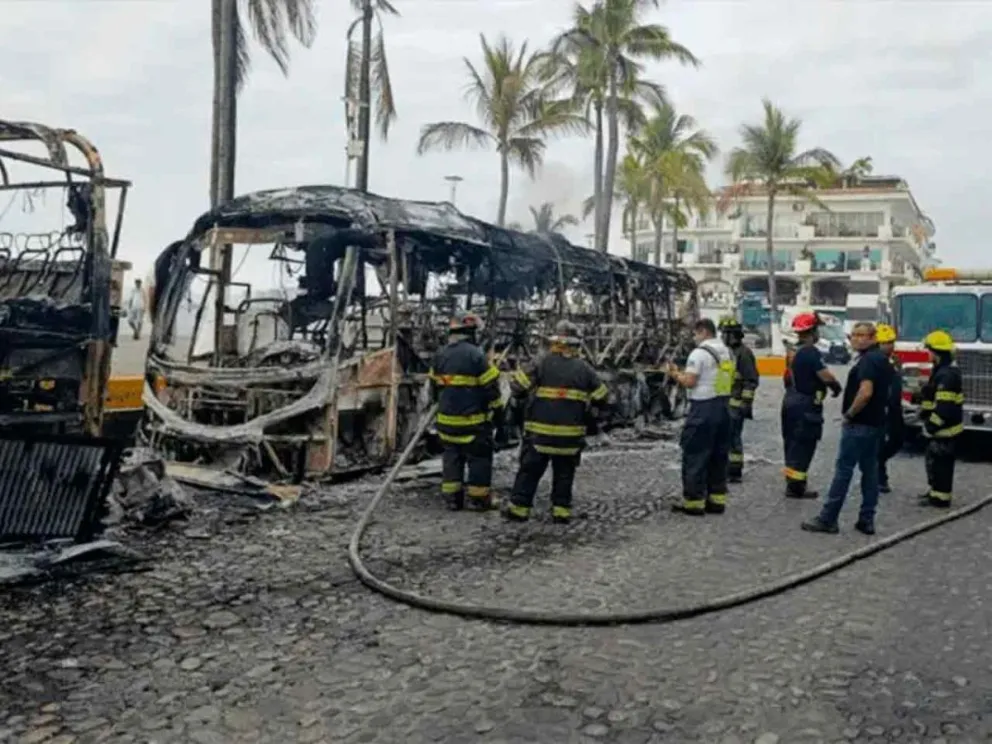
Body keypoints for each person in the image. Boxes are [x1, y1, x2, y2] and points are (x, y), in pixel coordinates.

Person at [504, 320, 609, 523]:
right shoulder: (585, 369)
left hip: (539, 436)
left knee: (529, 471)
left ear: (556, 343)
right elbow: (603, 397)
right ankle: (561, 512)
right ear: (575, 345)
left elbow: (517, 387)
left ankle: (519, 509)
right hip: (570, 437)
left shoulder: (541, 362)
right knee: (564, 474)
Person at [801, 322, 894, 535]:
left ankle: (828, 518)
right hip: (876, 424)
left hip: (859, 424)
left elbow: (866, 392)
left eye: (863, 335)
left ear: (873, 338)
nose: (857, 339)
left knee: (843, 471)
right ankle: (866, 519)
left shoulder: (868, 362)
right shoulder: (882, 360)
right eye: (855, 335)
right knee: (870, 472)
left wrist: (849, 414)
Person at [428, 312, 504, 511]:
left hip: (446, 422)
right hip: (473, 423)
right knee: (479, 458)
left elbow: (433, 390)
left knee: (451, 458)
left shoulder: (440, 355)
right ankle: (478, 499)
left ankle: (452, 499)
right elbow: (491, 389)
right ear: (471, 333)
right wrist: (499, 412)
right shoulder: (476, 355)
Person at [665, 318, 735, 516]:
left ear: (703, 331)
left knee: (695, 454)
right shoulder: (727, 352)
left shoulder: (699, 353)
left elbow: (690, 381)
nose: (694, 339)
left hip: (703, 408)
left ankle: (694, 503)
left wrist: (674, 374)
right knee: (718, 456)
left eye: (695, 334)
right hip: (723, 407)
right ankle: (716, 501)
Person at [781, 312, 843, 499]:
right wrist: (836, 387)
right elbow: (825, 376)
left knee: (792, 443)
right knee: (804, 444)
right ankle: (797, 487)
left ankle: (792, 483)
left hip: (790, 401)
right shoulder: (810, 352)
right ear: (812, 331)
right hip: (805, 405)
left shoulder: (793, 352)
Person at [917, 330, 963, 508]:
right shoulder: (941, 372)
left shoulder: (947, 376)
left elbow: (944, 408)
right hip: (941, 429)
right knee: (934, 463)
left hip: (945, 430)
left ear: (937, 353)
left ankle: (941, 499)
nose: (927, 354)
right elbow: (933, 399)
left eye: (929, 350)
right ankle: (935, 492)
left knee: (941, 465)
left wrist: (930, 426)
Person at [719, 316, 759, 483]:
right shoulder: (724, 352)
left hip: (735, 405)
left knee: (733, 439)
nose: (722, 337)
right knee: (724, 439)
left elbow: (751, 381)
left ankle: (734, 471)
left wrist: (745, 403)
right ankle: (724, 468)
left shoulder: (744, 354)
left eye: (724, 334)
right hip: (723, 403)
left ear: (732, 335)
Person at [875, 323, 905, 493]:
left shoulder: (894, 361)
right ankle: (880, 478)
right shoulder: (874, 362)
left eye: (891, 342)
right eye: (886, 342)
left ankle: (878, 464)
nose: (890, 346)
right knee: (879, 443)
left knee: (897, 440)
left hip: (894, 408)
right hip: (880, 408)